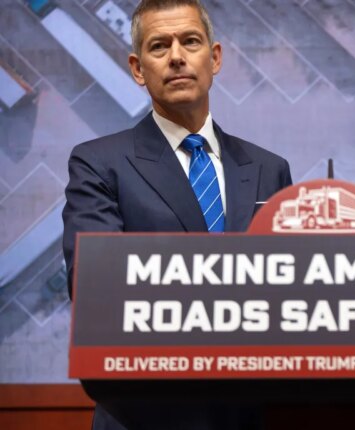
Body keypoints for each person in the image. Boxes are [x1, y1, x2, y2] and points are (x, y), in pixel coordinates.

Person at [62, 1, 291, 427]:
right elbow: (94, 287)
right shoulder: (100, 163)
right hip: (145, 413)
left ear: (215, 57)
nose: (177, 57)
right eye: (158, 46)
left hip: (251, 413)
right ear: (137, 67)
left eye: (190, 41)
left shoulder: (268, 168)